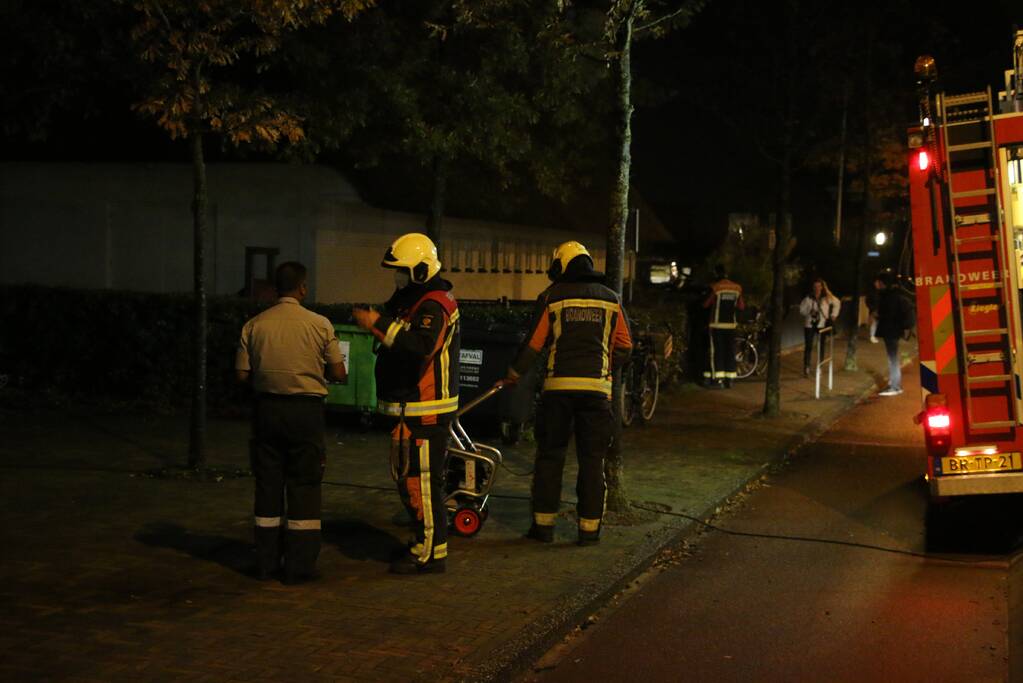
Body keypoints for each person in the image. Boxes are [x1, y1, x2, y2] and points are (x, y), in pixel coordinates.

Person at [504, 241, 632, 546]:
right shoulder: (612, 300)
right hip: (597, 394)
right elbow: (626, 347)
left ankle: (543, 527)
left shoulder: (551, 297)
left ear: (562, 266)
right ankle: (589, 532)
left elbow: (534, 344)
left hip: (557, 391)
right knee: (592, 461)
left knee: (550, 457)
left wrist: (513, 373)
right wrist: (604, 368)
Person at [353, 233, 459, 575]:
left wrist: (377, 323)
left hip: (424, 410)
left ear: (421, 270)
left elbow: (420, 345)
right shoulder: (411, 300)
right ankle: (425, 543)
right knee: (408, 478)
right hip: (408, 409)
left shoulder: (435, 305)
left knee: (422, 482)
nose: (397, 278)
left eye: (402, 271)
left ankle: (430, 553)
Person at [235, 262, 347, 584]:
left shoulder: (253, 325)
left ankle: (266, 563)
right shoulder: (320, 324)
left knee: (268, 484)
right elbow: (338, 373)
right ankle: (299, 566)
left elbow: (241, 375)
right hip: (306, 413)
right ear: (302, 288)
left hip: (266, 411)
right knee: (305, 484)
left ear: (274, 287)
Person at [702, 265, 744, 388]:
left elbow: (706, 304)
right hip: (731, 325)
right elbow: (741, 306)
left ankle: (718, 380)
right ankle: (730, 380)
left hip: (717, 325)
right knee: (729, 351)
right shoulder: (737, 288)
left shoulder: (716, 287)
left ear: (716, 274)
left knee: (717, 352)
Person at [874, 269, 914, 396]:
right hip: (893, 331)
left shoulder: (888, 297)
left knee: (893, 359)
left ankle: (895, 386)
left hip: (891, 331)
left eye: (878, 282)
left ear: (883, 283)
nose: (876, 284)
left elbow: (889, 315)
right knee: (892, 358)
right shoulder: (892, 294)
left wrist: (878, 316)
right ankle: (894, 384)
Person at [799, 277, 841, 377]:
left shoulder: (826, 298)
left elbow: (837, 303)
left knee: (821, 346)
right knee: (808, 346)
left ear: (822, 287)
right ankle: (807, 367)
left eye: (819, 286)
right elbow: (801, 310)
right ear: (812, 287)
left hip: (822, 324)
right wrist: (809, 311)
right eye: (815, 286)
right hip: (810, 324)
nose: (817, 288)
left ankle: (820, 367)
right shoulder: (808, 298)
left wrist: (834, 315)